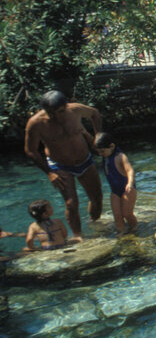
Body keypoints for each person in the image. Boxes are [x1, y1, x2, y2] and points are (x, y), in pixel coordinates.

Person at [23, 91, 103, 237]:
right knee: (71, 204)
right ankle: (78, 236)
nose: (56, 116)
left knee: (97, 198)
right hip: (60, 165)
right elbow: (31, 151)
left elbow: (95, 113)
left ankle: (94, 223)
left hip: (84, 160)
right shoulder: (36, 123)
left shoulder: (75, 110)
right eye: (51, 113)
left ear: (65, 106)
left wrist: (98, 138)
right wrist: (49, 173)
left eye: (60, 112)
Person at [93, 132, 138, 235]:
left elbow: (130, 170)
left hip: (127, 189)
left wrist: (130, 183)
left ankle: (135, 229)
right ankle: (121, 233)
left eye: (102, 151)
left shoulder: (120, 156)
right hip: (115, 191)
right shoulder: (106, 156)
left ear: (112, 146)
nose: (100, 154)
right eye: (98, 152)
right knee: (117, 215)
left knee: (127, 213)